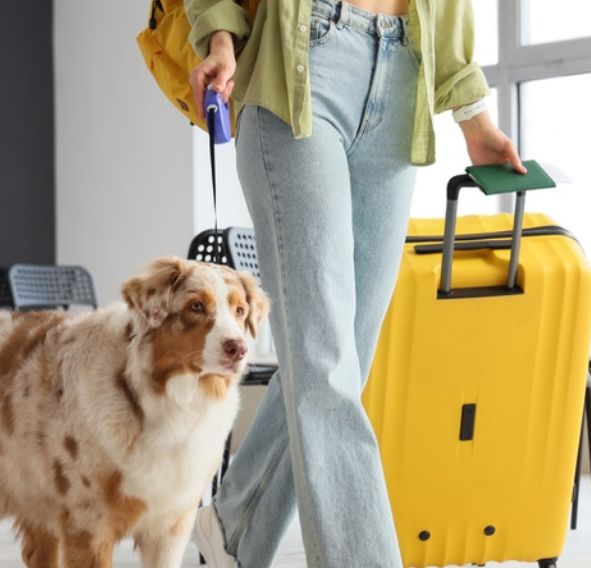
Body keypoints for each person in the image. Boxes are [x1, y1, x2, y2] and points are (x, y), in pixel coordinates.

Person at [184, 0, 524, 566]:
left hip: (404, 72)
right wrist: (220, 38)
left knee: (343, 362)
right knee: (325, 364)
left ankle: (232, 526)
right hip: (302, 64)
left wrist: (475, 117)